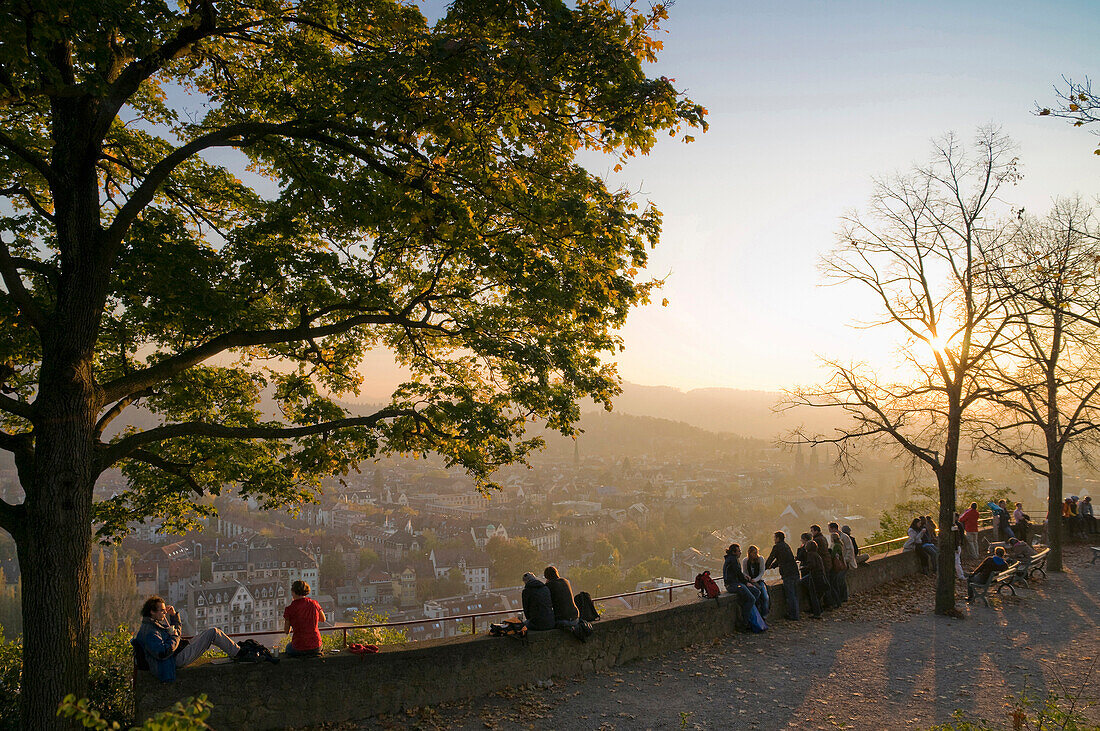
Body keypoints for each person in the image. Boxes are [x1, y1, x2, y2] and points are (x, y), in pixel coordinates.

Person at [135, 596, 241, 682]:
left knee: (205, 634)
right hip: (174, 660)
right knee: (213, 633)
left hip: (175, 655)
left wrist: (173, 617)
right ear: (152, 612)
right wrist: (174, 636)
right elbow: (163, 652)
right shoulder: (150, 632)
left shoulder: (152, 625)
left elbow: (175, 636)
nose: (164, 613)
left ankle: (237, 651)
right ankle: (239, 653)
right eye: (162, 611)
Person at [722, 543, 761, 630]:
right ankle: (744, 623)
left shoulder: (733, 559)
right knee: (752, 598)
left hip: (736, 583)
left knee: (756, 592)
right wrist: (746, 582)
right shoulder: (732, 560)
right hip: (732, 585)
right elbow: (738, 573)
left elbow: (738, 573)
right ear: (734, 552)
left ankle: (745, 607)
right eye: (739, 551)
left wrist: (745, 578)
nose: (740, 552)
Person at [283, 580, 326, 658]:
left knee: (288, 647)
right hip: (316, 646)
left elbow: (286, 631)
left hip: (299, 646)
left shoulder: (289, 609)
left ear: (293, 592)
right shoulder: (314, 604)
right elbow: (323, 619)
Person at [765, 531, 801, 620]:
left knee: (790, 595)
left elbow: (771, 557)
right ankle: (796, 614)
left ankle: (793, 615)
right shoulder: (786, 546)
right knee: (795, 595)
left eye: (774, 538)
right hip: (794, 572)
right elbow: (782, 559)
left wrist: (765, 567)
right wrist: (773, 566)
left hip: (787, 573)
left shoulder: (777, 547)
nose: (774, 539)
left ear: (778, 538)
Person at [795, 533, 826, 619]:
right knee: (816, 595)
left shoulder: (810, 555)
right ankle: (819, 610)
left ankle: (817, 613)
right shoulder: (816, 554)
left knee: (813, 595)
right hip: (819, 576)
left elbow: (811, 565)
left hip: (814, 577)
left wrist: (803, 568)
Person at [742, 545, 770, 617]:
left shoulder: (760, 559)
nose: (755, 554)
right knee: (755, 597)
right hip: (750, 582)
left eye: (756, 552)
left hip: (759, 581)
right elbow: (744, 572)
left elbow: (761, 572)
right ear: (749, 553)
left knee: (765, 597)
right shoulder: (745, 561)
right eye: (753, 553)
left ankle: (764, 615)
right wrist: (748, 577)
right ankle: (757, 615)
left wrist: (756, 579)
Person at [827, 524, 849, 604]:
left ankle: (840, 599)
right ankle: (842, 598)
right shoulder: (839, 544)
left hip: (838, 566)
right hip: (842, 564)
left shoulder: (836, 546)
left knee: (838, 582)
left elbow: (833, 555)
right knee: (839, 581)